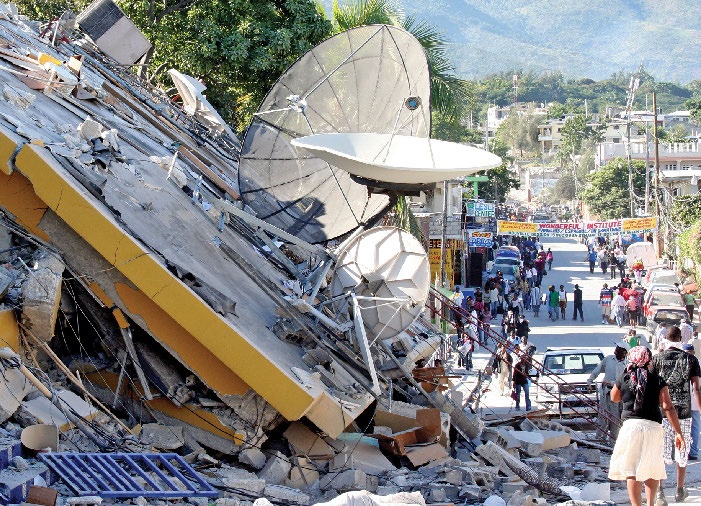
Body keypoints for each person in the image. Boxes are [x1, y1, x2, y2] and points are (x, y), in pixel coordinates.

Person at [609, 346, 685, 506]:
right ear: (649, 360)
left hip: (630, 427)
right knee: (652, 467)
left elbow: (614, 398)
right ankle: (650, 504)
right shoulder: (656, 379)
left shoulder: (625, 378)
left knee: (631, 469)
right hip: (652, 428)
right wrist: (678, 432)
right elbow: (668, 406)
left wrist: (624, 379)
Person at [651, 325, 701, 505]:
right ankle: (680, 489)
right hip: (684, 412)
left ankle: (660, 493)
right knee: (682, 450)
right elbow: (696, 388)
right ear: (681, 338)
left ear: (665, 337)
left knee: (662, 453)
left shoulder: (656, 360)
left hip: (662, 412)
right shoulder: (690, 360)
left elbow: (651, 387)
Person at [587, 342, 628, 441]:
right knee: (602, 418)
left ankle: (613, 443)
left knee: (615, 421)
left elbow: (625, 381)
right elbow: (597, 370)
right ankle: (600, 440)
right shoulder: (608, 359)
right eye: (617, 347)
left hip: (618, 396)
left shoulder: (626, 365)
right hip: (606, 394)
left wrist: (611, 382)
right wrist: (589, 381)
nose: (616, 349)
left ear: (624, 352)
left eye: (619, 348)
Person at [682, 344, 700, 461]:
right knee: (695, 427)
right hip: (694, 401)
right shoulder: (698, 364)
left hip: (683, 401)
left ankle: (685, 451)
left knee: (683, 426)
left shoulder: (679, 364)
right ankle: (692, 451)